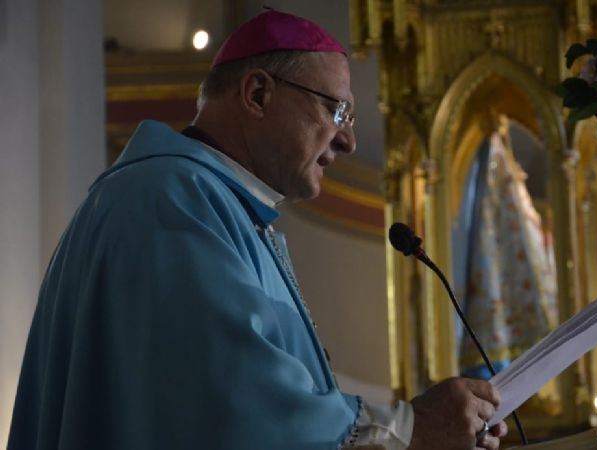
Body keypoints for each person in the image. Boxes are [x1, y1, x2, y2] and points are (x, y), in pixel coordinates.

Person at [7, 9, 507, 450]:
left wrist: (426, 431)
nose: (350, 140)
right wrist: (412, 429)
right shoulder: (169, 200)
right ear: (258, 93)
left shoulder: (209, 204)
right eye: (336, 111)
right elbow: (237, 404)